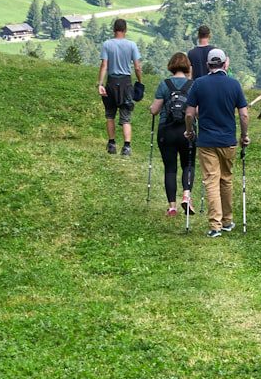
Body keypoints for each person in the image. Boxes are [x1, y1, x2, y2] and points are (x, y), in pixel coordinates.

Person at [184, 48, 250, 237]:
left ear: (207, 65)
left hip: (206, 141)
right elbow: (244, 115)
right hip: (228, 140)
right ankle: (227, 220)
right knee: (226, 180)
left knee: (211, 181)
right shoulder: (234, 84)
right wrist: (244, 135)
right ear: (225, 63)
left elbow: (189, 113)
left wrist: (189, 131)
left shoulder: (199, 84)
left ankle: (215, 225)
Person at [149, 52, 197, 217]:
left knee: (170, 169)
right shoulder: (193, 85)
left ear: (171, 65)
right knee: (188, 165)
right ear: (187, 67)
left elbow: (154, 110)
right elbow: (196, 112)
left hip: (166, 130)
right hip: (187, 131)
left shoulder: (164, 84)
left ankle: (172, 207)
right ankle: (186, 195)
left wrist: (151, 108)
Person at [98, 18, 143, 156]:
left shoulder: (107, 44)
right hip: (126, 83)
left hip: (111, 82)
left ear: (114, 29)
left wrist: (100, 84)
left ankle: (111, 144)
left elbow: (104, 65)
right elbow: (137, 67)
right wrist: (140, 81)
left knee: (110, 115)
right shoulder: (131, 45)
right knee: (126, 117)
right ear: (125, 30)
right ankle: (127, 147)